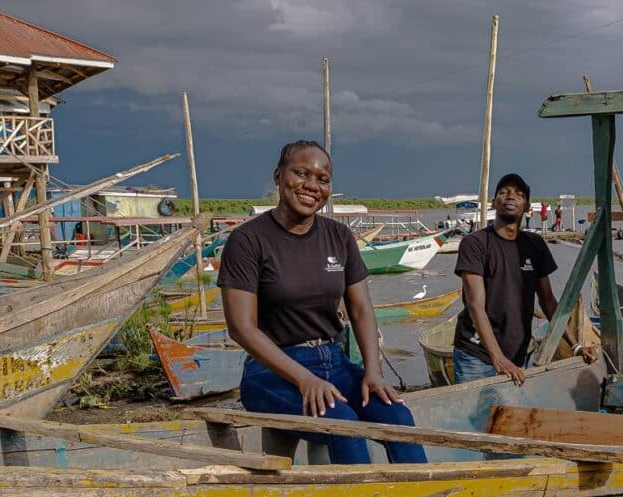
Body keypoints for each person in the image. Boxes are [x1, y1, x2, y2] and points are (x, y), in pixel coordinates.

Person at [219, 140, 426, 464]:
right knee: (343, 425)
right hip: (273, 371)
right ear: (278, 176)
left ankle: (421, 495)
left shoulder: (339, 236)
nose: (311, 186)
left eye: (322, 179)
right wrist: (304, 379)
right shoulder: (247, 241)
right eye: (301, 173)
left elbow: (361, 309)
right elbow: (241, 329)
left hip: (335, 362)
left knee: (397, 416)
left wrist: (373, 372)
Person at [451, 172, 585, 383]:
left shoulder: (534, 244)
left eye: (518, 194)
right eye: (503, 192)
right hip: (476, 356)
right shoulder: (475, 243)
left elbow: (548, 301)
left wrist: (576, 346)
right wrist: (498, 357)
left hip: (519, 355)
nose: (510, 197)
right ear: (494, 203)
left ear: (527, 207)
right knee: (477, 407)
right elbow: (475, 305)